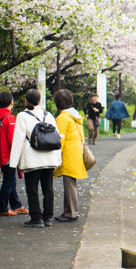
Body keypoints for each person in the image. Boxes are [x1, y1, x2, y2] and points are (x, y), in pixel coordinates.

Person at [9, 89, 62, 228]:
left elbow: (18, 140)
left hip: (32, 159)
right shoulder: (48, 115)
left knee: (32, 189)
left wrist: (13, 163)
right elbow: (56, 138)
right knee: (48, 189)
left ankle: (36, 218)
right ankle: (48, 217)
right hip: (49, 158)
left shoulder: (22, 116)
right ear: (39, 101)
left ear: (26, 101)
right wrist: (58, 159)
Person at [53, 89, 87, 221]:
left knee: (69, 184)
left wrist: (56, 156)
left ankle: (72, 213)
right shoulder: (75, 116)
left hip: (68, 153)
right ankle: (68, 212)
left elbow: (60, 139)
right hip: (76, 152)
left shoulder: (62, 117)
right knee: (70, 183)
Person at [0, 91, 26, 217]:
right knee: (9, 181)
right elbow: (14, 140)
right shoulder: (10, 118)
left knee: (10, 180)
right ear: (12, 102)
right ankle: (2, 207)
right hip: (9, 155)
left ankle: (16, 205)